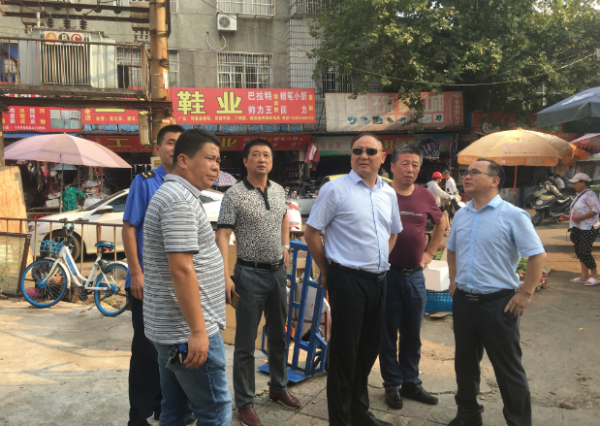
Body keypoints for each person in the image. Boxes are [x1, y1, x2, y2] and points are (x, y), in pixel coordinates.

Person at [304, 132, 402, 426]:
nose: (363, 156)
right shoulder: (335, 190)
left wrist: (378, 259)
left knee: (368, 351)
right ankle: (341, 420)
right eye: (357, 150)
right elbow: (311, 233)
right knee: (345, 355)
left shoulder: (388, 193)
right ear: (351, 156)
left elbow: (393, 232)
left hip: (379, 281)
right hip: (347, 280)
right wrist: (327, 271)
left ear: (382, 157)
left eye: (371, 151)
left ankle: (359, 413)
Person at [446, 158, 546, 426]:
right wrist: (453, 280)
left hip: (499, 304)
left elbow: (537, 255)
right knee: (465, 364)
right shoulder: (462, 214)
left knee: (508, 369)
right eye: (466, 172)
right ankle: (468, 416)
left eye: (474, 172)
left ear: (494, 180)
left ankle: (518, 421)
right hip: (464, 302)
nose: (467, 176)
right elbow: (452, 250)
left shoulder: (513, 215)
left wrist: (526, 293)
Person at [143, 129, 232, 426]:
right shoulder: (178, 200)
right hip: (185, 332)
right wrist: (197, 331)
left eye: (218, 160)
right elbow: (181, 269)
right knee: (215, 411)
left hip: (174, 329)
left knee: (176, 409)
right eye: (209, 158)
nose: (215, 166)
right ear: (183, 160)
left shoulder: (176, 195)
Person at [216, 138, 300, 426]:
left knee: (279, 335)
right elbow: (222, 235)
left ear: (271, 161)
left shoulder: (278, 190)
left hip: (277, 273)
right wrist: (224, 276)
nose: (262, 159)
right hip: (248, 274)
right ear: (245, 161)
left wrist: (286, 245)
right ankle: (245, 402)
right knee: (245, 342)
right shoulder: (234, 195)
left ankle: (278, 387)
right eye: (256, 155)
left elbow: (284, 218)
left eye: (266, 155)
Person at [121, 124, 189, 426]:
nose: (175, 148)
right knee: (146, 352)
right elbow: (129, 228)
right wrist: (136, 272)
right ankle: (138, 417)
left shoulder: (188, 185)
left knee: (174, 349)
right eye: (170, 142)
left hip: (178, 284)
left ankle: (167, 409)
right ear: (158, 149)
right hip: (148, 284)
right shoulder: (146, 182)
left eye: (180, 143)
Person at [380, 145, 447, 410]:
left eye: (415, 165)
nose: (410, 169)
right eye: (405, 164)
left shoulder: (425, 195)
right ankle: (391, 384)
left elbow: (441, 222)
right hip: (388, 275)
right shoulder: (381, 193)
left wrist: (430, 252)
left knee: (412, 333)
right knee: (387, 333)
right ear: (392, 167)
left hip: (416, 277)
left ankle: (411, 382)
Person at [561, 173, 600, 286]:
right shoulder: (579, 195)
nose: (574, 185)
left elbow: (596, 210)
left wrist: (580, 217)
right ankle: (584, 275)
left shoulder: (590, 194)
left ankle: (595, 276)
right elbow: (578, 210)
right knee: (579, 251)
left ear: (583, 182)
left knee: (584, 251)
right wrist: (570, 216)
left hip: (588, 227)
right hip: (578, 227)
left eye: (576, 182)